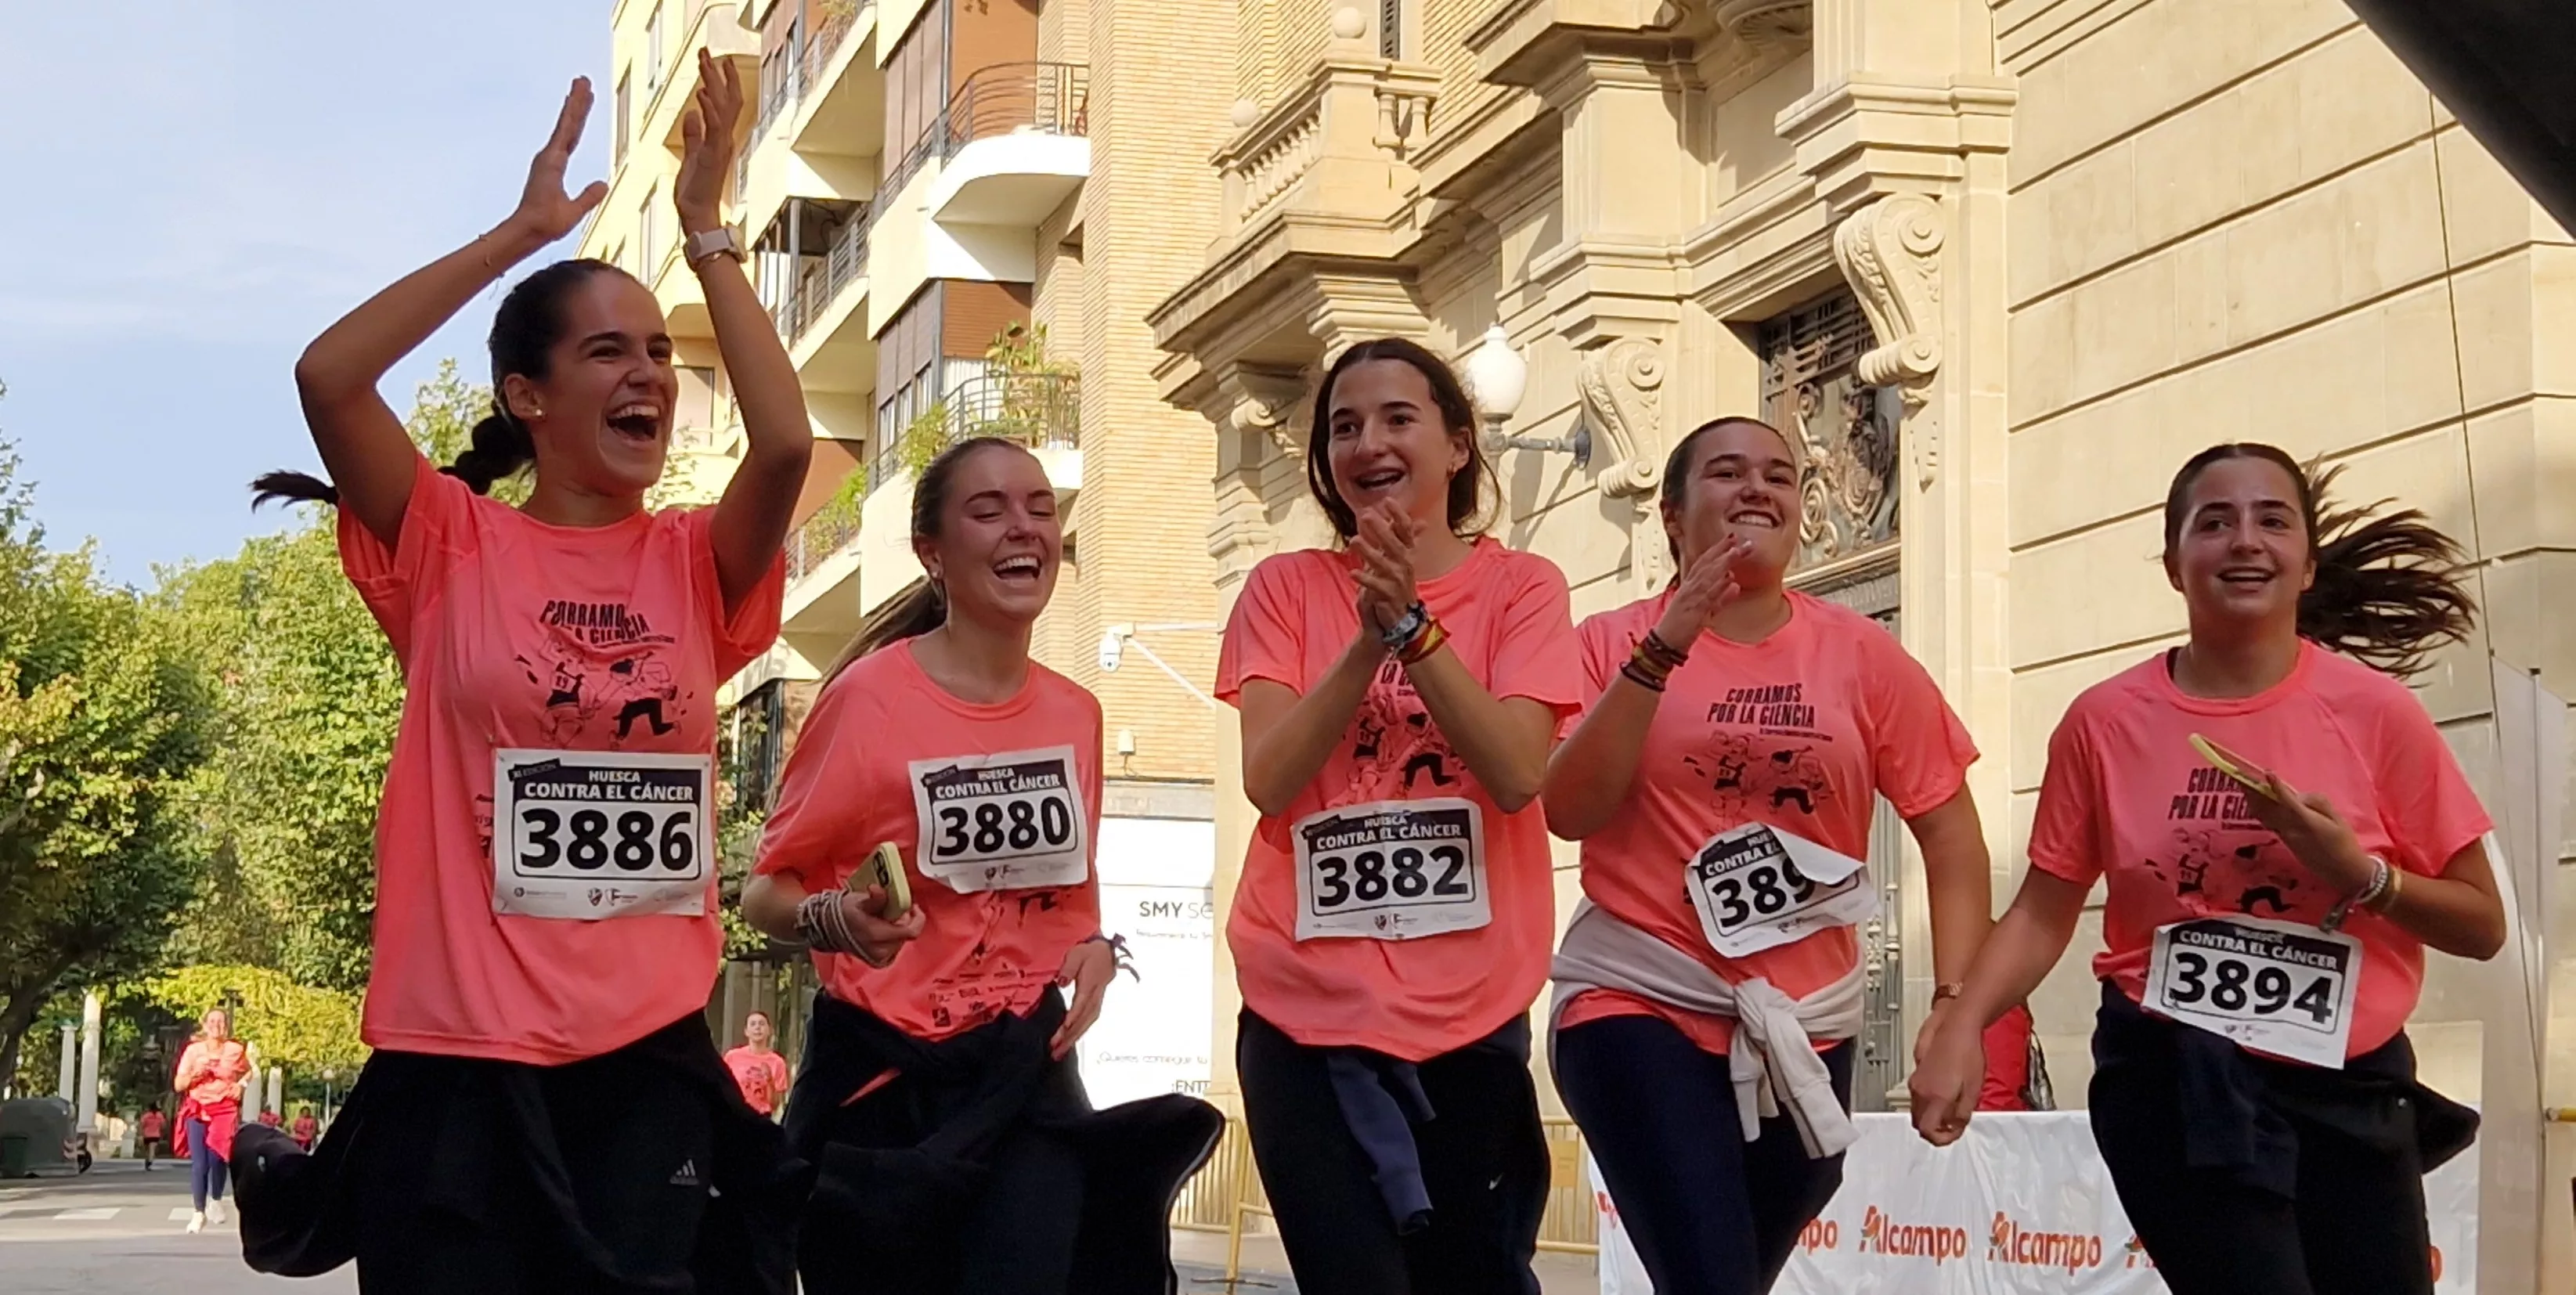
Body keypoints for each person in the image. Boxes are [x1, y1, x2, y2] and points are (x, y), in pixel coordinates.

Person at [224, 58, 814, 1293]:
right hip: (459, 1064)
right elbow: (330, 377)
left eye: (659, 353)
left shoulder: (695, 561)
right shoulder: (445, 539)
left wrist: (710, 226)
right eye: (609, 352)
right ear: (527, 396)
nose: (649, 373)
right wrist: (523, 233)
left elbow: (788, 441)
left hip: (646, 1060)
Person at [1910, 444, 2505, 1295]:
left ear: (2303, 563)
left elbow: (2480, 925)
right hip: (2174, 1071)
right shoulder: (2104, 720)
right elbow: (2044, 909)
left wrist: (2359, 873)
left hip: (2350, 1080)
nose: (2243, 540)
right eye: (2212, 522)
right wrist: (1961, 1022)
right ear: (2171, 562)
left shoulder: (2375, 714)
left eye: (2271, 519)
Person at [743, 436, 1222, 1294]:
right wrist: (837, 921)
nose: (1023, 529)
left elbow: (1065, 904)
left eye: (1039, 508)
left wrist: (1098, 953)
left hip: (1019, 1072)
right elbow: (765, 892)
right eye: (989, 509)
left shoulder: (1075, 714)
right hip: (885, 1088)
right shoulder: (865, 701)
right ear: (933, 552)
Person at [1539, 416, 1993, 1293]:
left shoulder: (1862, 655)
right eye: (1726, 473)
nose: (1756, 488)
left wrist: (1953, 1009)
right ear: (1671, 516)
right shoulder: (1605, 642)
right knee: (1710, 1271)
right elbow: (1566, 807)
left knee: (1726, 1272)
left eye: (1779, 475)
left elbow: (1950, 832)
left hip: (1805, 1023)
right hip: (1638, 999)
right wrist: (1664, 647)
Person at [1216, 337, 1583, 1295]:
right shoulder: (1284, 589)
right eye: (1343, 427)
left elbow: (1514, 772)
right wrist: (1365, 638)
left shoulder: (1522, 588)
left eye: (1396, 418)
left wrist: (1415, 630)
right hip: (1304, 1016)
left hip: (1468, 1017)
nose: (1367, 443)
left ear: (1458, 445)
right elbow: (1269, 775)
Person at [172, 1008, 251, 1233]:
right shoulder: (193, 1051)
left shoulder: (235, 1050)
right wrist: (197, 1074)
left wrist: (240, 1086)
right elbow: (179, 1084)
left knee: (218, 1158)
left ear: (226, 1026)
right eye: (212, 1021)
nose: (216, 1025)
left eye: (221, 1021)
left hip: (224, 1108)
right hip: (198, 1107)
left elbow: (249, 1072)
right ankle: (198, 1212)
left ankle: (215, 1200)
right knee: (200, 1163)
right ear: (205, 1025)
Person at [723, 1012, 792, 1120]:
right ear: (746, 1031)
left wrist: (769, 1081)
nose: (757, 1028)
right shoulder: (732, 1057)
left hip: (761, 1118)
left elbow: (775, 1105)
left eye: (762, 1024)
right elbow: (722, 1087)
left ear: (769, 1030)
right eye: (753, 1024)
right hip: (734, 1115)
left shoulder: (777, 1062)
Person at [139, 1105, 168, 1171]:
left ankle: (147, 1162)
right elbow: (163, 1126)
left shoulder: (146, 1116)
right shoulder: (160, 1116)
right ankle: (150, 1161)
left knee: (147, 1150)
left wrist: (140, 1134)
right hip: (156, 1135)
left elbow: (141, 1125)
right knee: (152, 1149)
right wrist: (161, 1131)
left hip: (147, 1135)